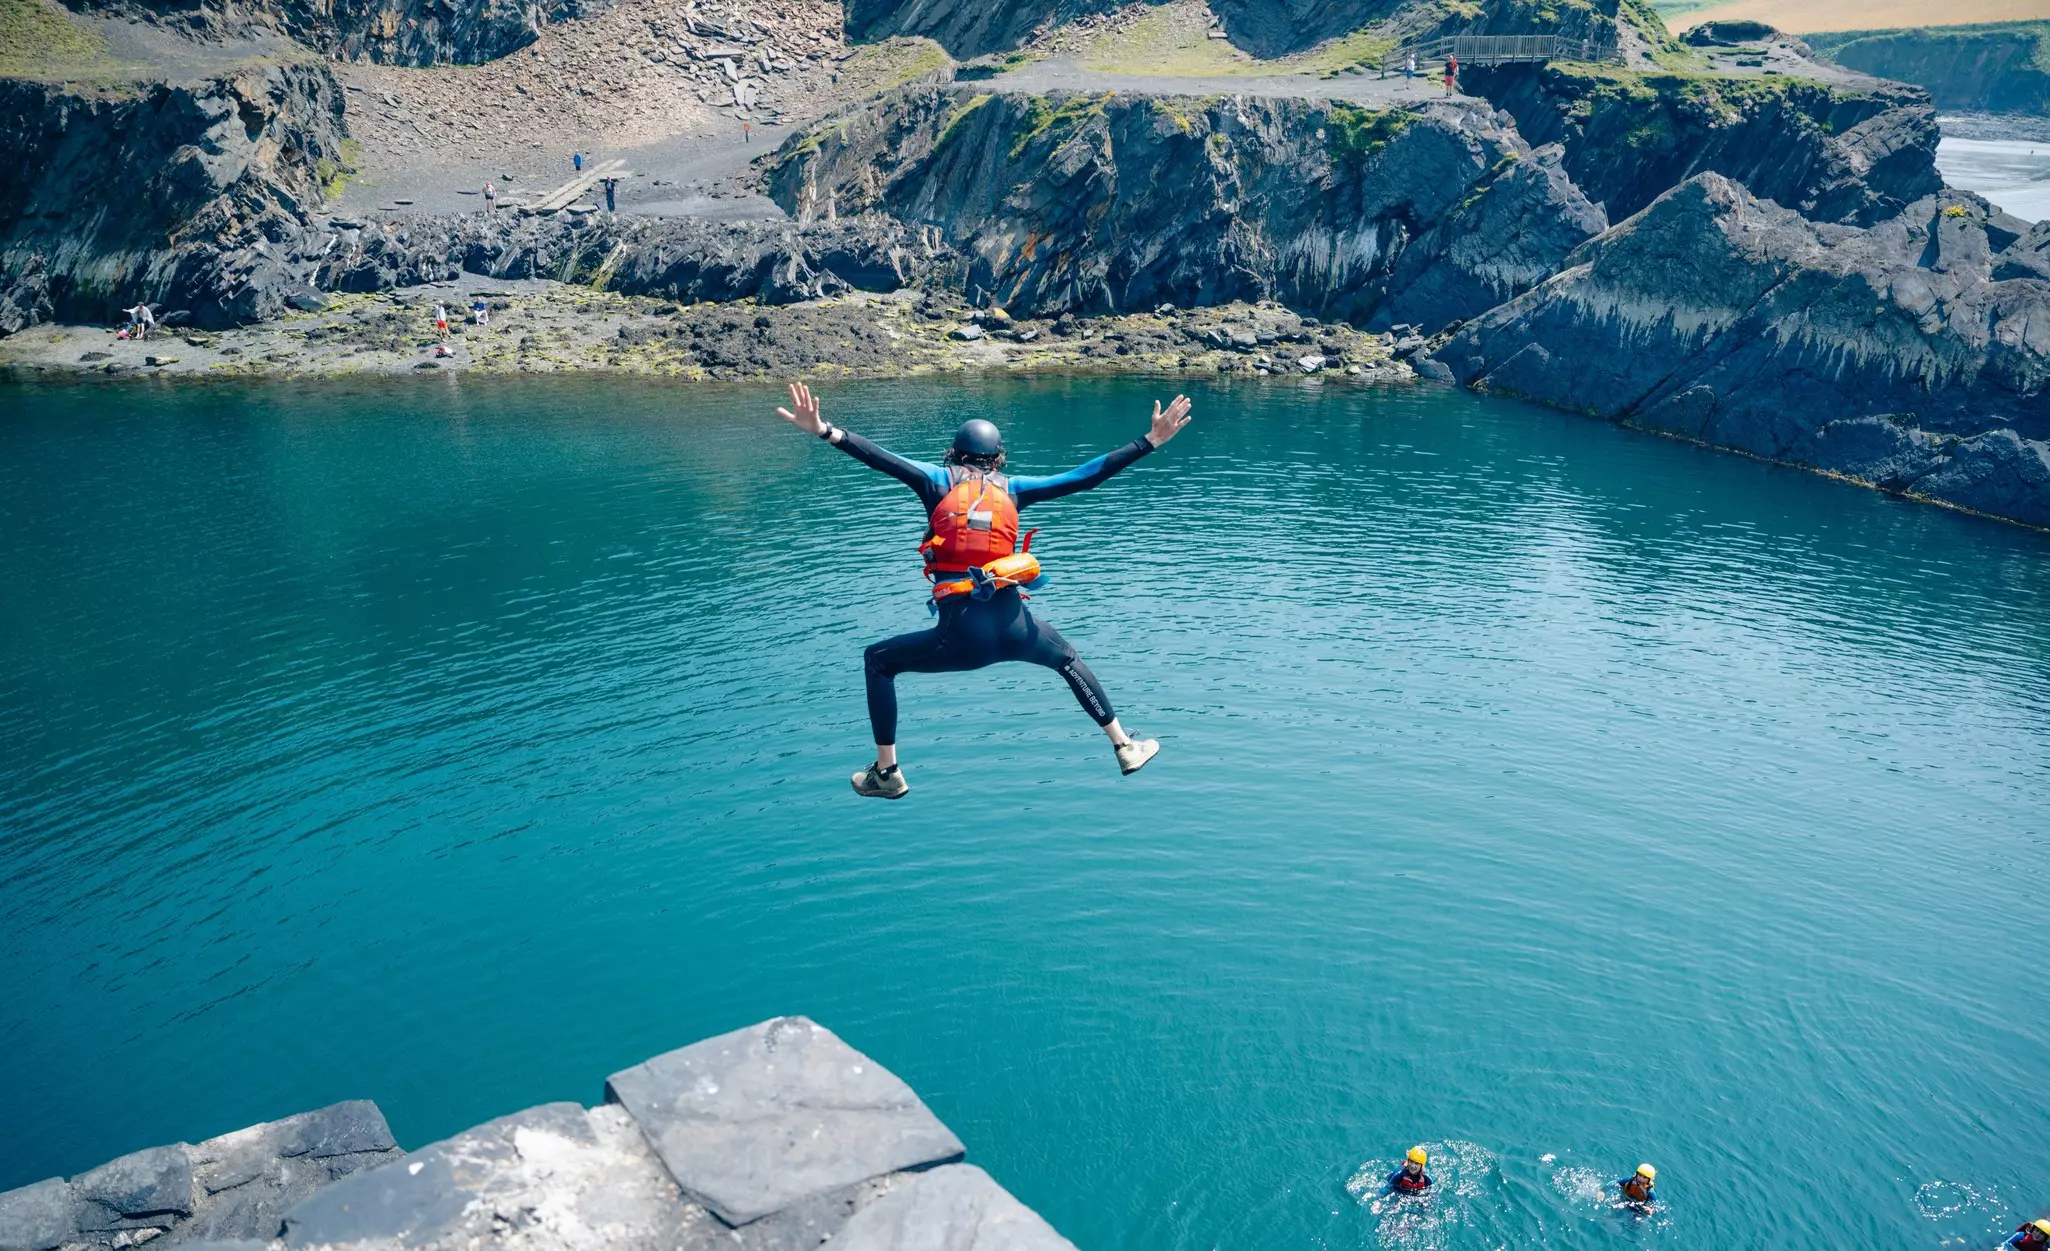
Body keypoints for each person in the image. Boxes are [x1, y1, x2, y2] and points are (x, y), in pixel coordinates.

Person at [772, 380, 1193, 799]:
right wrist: (1150, 440)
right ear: (997, 460)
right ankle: (1123, 746)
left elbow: (879, 457)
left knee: (878, 661)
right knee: (1066, 658)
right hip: (1016, 630)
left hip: (959, 637)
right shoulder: (1014, 489)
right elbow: (1084, 477)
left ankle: (887, 772)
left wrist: (825, 430)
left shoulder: (936, 481)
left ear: (953, 454)